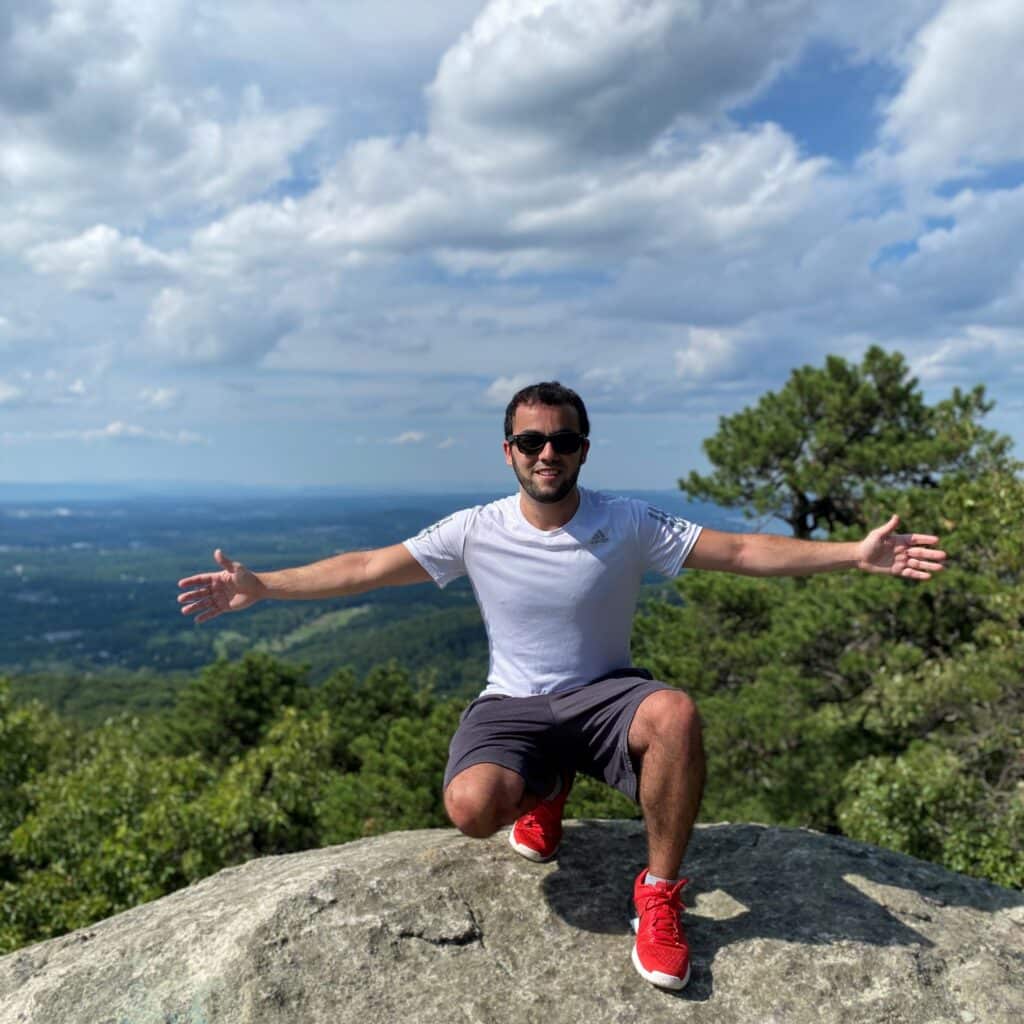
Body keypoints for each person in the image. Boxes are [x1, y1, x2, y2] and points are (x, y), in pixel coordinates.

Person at [177, 380, 947, 991]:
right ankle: (545, 786)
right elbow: (367, 567)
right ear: (508, 450)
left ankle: (660, 893)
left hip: (609, 697)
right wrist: (265, 585)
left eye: (564, 440)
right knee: (473, 809)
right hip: (512, 704)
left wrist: (854, 554)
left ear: (584, 449)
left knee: (675, 710)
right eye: (532, 440)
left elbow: (742, 550)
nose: (549, 452)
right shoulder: (474, 530)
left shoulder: (628, 522)